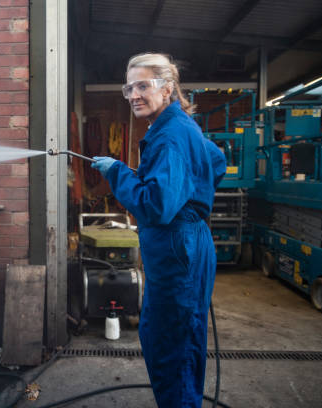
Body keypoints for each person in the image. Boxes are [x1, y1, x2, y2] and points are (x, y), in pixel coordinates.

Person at [91, 53, 226, 407]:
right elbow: (216, 159)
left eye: (143, 85)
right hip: (186, 243)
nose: (134, 94)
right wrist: (193, 190)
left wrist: (118, 172)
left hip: (177, 246)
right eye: (129, 87)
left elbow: (155, 206)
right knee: (176, 336)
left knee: (171, 345)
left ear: (167, 88)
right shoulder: (178, 126)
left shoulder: (169, 136)